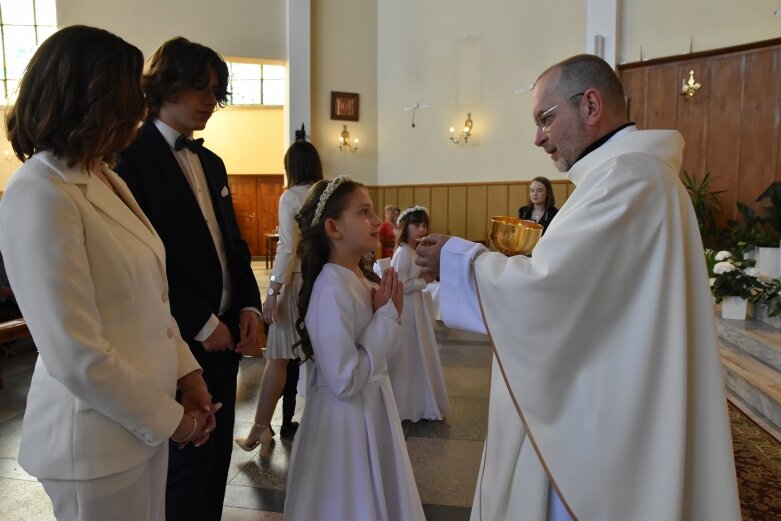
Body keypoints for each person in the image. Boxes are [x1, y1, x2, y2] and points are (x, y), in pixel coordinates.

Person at [416, 54, 740, 520]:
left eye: (545, 119)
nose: (538, 137)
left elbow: (549, 291)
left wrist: (459, 261)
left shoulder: (627, 178)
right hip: (613, 392)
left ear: (591, 105)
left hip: (604, 428)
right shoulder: (629, 176)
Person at [0, 26, 217, 521]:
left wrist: (188, 372)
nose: (140, 107)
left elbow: (149, 298)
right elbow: (75, 353)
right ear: (89, 97)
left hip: (139, 424)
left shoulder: (104, 176)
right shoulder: (41, 191)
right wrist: (173, 423)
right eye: (128, 93)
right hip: (93, 442)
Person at [115, 37, 262, 521]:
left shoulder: (212, 162)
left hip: (225, 338)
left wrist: (247, 307)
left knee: (215, 462)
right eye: (202, 87)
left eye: (217, 91)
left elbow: (233, 246)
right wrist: (200, 321)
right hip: (174, 338)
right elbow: (140, 262)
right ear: (165, 84)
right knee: (182, 468)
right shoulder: (128, 159)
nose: (211, 101)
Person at [283, 176, 425, 521]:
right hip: (345, 424)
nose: (378, 222)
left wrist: (382, 315)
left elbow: (376, 358)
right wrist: (385, 319)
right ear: (333, 227)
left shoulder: (357, 278)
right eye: (364, 212)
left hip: (371, 406)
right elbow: (344, 380)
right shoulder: (331, 288)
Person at [235, 138, 323, 452]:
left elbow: (287, 248)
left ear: (291, 168)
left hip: (296, 283)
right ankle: (321, 424)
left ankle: (260, 429)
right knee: (320, 356)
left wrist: (272, 292)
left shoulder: (291, 197)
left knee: (278, 359)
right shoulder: (327, 194)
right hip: (323, 281)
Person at [388, 205, 450, 421]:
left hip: (417, 307)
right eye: (416, 225)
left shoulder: (415, 249)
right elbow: (398, 285)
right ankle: (406, 404)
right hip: (407, 308)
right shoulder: (402, 252)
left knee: (419, 351)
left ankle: (422, 400)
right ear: (406, 227)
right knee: (409, 353)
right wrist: (423, 281)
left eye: (424, 225)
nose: (422, 229)